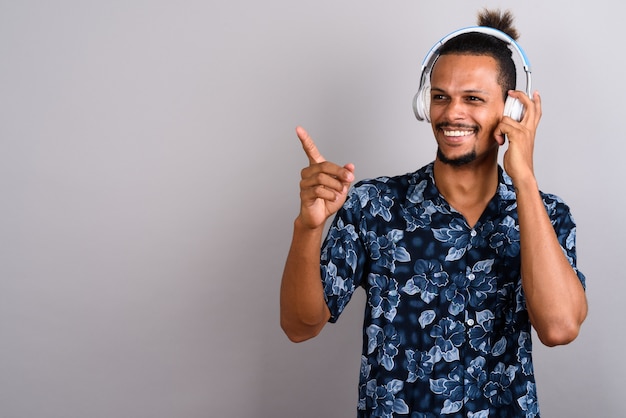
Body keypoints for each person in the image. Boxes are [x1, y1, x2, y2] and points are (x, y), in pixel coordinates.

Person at [280, 9, 587, 417]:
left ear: (512, 112)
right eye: (440, 96)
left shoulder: (548, 214)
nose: (450, 113)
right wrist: (308, 228)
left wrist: (524, 178)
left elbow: (559, 328)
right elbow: (300, 326)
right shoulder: (373, 206)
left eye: (473, 99)